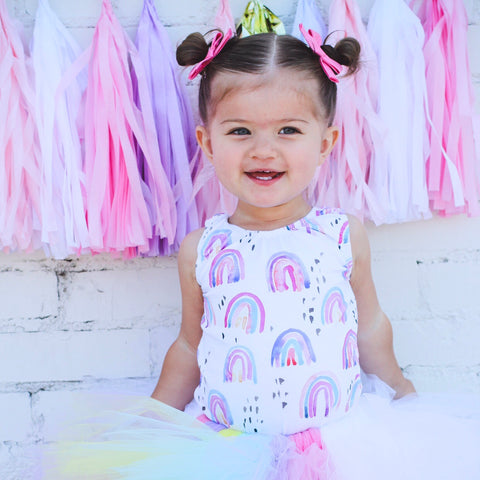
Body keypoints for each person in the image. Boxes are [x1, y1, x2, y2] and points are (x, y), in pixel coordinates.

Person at [44, 27, 480, 480]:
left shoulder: (341, 235)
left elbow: (368, 323)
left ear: (324, 143)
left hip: (335, 445)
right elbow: (191, 343)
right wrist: (154, 423)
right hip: (226, 449)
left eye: (289, 129)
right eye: (240, 131)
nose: (263, 149)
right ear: (209, 143)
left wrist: (401, 388)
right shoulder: (204, 249)